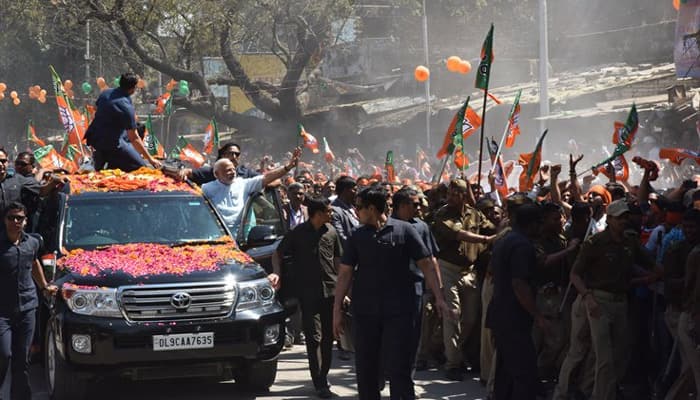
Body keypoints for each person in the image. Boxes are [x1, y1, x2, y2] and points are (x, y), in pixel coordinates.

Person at [333, 187, 450, 400]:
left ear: (371, 208)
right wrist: (337, 309)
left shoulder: (405, 230)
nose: (356, 211)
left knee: (400, 368)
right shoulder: (357, 237)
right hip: (366, 313)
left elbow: (426, 264)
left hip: (401, 312)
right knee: (367, 368)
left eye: (359, 207)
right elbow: (345, 274)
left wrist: (440, 298)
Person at [569, 200, 658, 400]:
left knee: (621, 355)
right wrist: (587, 297)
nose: (623, 222)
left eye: (625, 217)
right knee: (604, 357)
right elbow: (575, 274)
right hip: (598, 302)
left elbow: (649, 264)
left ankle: (594, 390)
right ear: (609, 220)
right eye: (619, 218)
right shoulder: (595, 242)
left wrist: (655, 274)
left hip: (621, 302)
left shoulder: (630, 242)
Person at [270, 196, 342, 399]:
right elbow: (278, 253)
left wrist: (345, 291)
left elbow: (338, 262)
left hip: (330, 292)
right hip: (307, 293)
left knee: (329, 338)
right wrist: (277, 273)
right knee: (314, 337)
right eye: (328, 211)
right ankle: (319, 382)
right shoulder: (298, 233)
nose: (332, 214)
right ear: (318, 214)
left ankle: (323, 376)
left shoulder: (332, 232)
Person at [431, 178, 495, 381]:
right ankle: (452, 364)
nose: (450, 198)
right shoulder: (442, 214)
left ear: (463, 195)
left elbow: (491, 227)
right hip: (448, 269)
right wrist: (485, 240)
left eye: (455, 194)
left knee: (470, 319)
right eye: (449, 194)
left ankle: (446, 349)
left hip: (470, 271)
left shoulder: (475, 213)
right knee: (453, 315)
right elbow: (459, 234)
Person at [486, 203, 546, 400]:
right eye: (539, 223)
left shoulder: (505, 240)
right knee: (523, 372)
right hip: (513, 317)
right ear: (531, 224)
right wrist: (537, 315)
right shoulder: (522, 245)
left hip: (501, 314)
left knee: (505, 370)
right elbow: (519, 284)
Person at [0, 202, 57, 400]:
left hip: (27, 307)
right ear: (4, 220)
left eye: (19, 218)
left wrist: (44, 286)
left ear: (25, 221)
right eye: (11, 218)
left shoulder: (32, 243)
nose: (15, 222)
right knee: (4, 354)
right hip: (2, 312)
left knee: (22, 359)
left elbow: (34, 263)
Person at [391, 188, 441, 374]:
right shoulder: (386, 226)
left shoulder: (422, 227)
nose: (420, 208)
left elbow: (431, 259)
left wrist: (438, 290)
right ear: (402, 206)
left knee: (413, 337)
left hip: (415, 290)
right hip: (390, 291)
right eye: (416, 204)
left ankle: (407, 381)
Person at [202, 147, 300, 235]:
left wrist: (288, 167)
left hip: (242, 239)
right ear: (216, 174)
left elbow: (266, 177)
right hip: (217, 238)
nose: (232, 172)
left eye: (233, 169)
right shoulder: (206, 189)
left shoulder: (243, 184)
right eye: (228, 170)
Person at [85, 73, 161, 171]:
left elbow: (95, 108)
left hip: (95, 137)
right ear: (132, 89)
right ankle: (113, 158)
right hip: (111, 143)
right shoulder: (126, 107)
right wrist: (151, 160)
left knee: (139, 127)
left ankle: (114, 159)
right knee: (140, 168)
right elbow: (134, 138)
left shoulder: (105, 93)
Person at [173, 142, 259, 186]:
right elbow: (188, 172)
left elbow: (265, 180)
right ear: (222, 155)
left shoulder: (246, 173)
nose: (234, 156)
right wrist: (182, 172)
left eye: (237, 154)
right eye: (230, 153)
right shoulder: (210, 173)